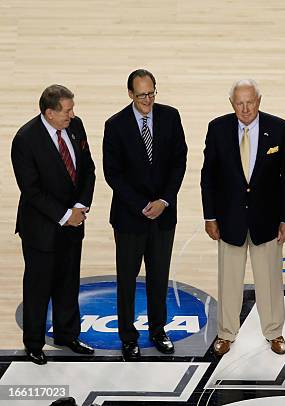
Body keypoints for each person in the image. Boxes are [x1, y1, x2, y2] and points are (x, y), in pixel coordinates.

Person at [201, 79, 285, 356]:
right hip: (229, 219)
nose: (245, 108)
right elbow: (208, 176)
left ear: (259, 100)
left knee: (270, 280)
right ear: (232, 104)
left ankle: (274, 332)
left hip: (267, 221)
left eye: (250, 102)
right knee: (228, 280)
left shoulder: (279, 129)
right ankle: (226, 333)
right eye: (239, 103)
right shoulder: (217, 128)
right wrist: (210, 216)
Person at [103, 69, 188, 360]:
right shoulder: (114, 126)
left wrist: (164, 200)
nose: (148, 100)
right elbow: (112, 174)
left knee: (158, 277)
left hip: (163, 216)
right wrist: (142, 204)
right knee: (127, 280)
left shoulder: (171, 116)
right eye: (142, 95)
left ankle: (158, 330)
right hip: (130, 217)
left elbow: (179, 161)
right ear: (130, 94)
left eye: (152, 93)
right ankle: (128, 337)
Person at [11, 84, 96, 365]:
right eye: (67, 110)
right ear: (49, 113)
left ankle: (67, 335)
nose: (72, 115)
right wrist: (64, 215)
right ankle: (34, 343)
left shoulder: (76, 126)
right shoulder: (25, 139)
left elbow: (88, 168)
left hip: (74, 222)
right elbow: (32, 190)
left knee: (68, 283)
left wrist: (81, 206)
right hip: (42, 230)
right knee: (38, 288)